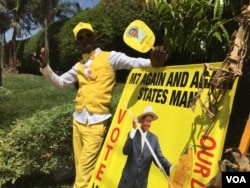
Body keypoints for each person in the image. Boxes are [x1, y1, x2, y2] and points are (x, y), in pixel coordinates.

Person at [32, 22, 168, 188]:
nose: (85, 39)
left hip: (96, 125)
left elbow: (134, 62)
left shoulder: (110, 57)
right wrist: (45, 67)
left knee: (81, 180)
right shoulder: (79, 65)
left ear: (95, 36)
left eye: (88, 35)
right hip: (77, 122)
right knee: (82, 171)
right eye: (81, 37)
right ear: (77, 43)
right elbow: (60, 83)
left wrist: (153, 62)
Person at [118, 106, 172, 188]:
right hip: (126, 182)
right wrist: (133, 129)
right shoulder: (133, 134)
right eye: (147, 121)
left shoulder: (154, 139)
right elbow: (125, 151)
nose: (148, 124)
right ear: (142, 121)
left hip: (140, 185)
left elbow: (160, 159)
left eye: (150, 121)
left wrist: (171, 168)